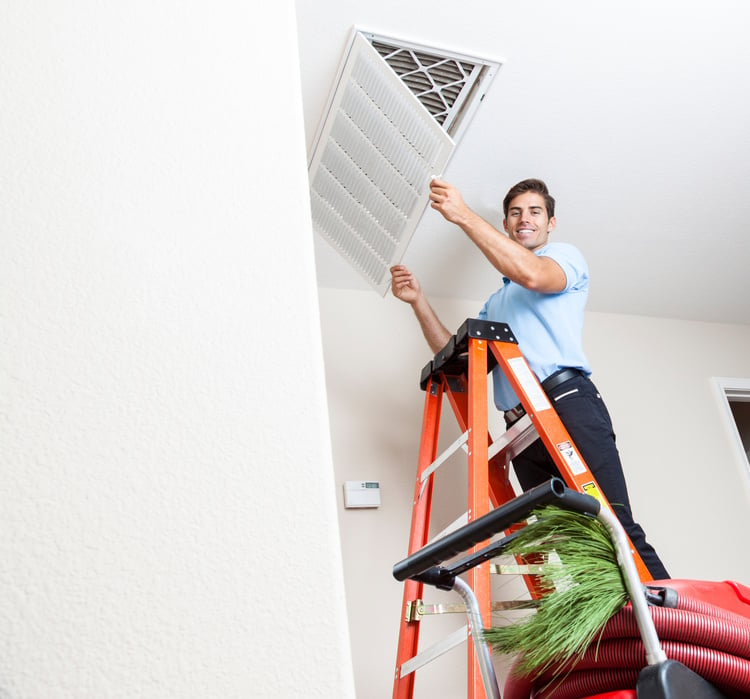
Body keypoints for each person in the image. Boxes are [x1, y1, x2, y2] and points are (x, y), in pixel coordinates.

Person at [391, 177, 670, 581]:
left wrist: (464, 216)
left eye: (535, 211)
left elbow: (535, 276)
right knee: (575, 549)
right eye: (516, 212)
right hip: (520, 432)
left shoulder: (563, 258)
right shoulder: (496, 302)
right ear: (506, 224)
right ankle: (620, 643)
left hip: (565, 403)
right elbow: (460, 363)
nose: (525, 219)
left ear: (551, 223)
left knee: (614, 525)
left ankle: (677, 635)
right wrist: (419, 301)